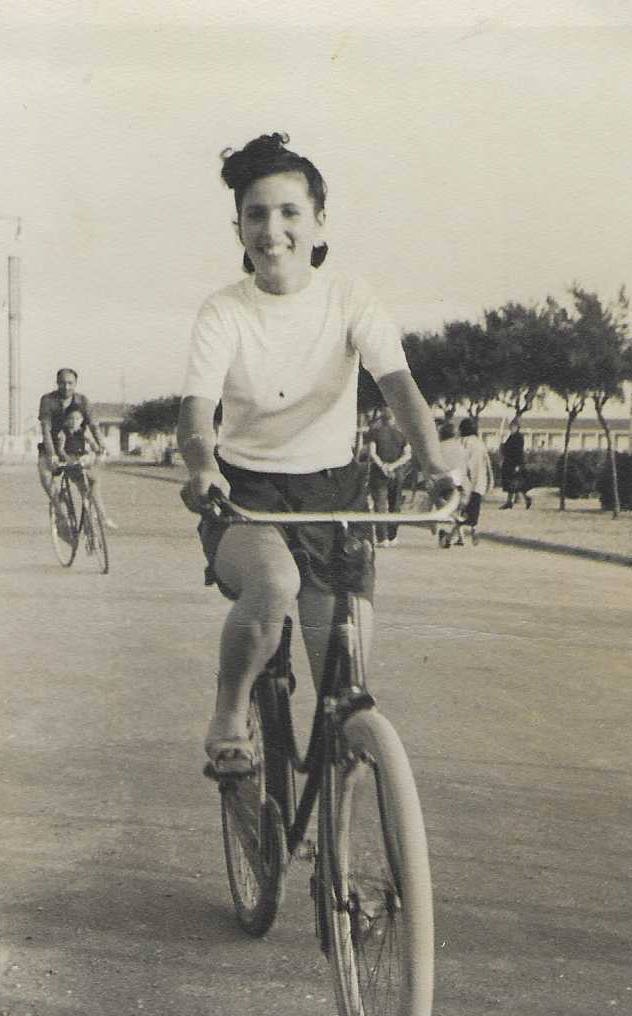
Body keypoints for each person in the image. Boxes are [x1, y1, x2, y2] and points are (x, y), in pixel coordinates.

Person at [176, 131, 456, 775]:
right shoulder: (224, 312)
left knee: (345, 678)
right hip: (247, 498)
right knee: (274, 584)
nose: (272, 230)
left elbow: (400, 387)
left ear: (319, 221)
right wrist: (202, 466)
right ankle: (229, 712)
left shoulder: (349, 297)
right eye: (256, 214)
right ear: (240, 226)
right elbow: (197, 414)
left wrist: (434, 464)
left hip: (336, 498)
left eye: (289, 212)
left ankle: (337, 837)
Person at [37, 368, 117, 528]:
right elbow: (45, 428)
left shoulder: (82, 401)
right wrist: (52, 453)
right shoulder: (48, 400)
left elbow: (93, 426)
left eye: (70, 383)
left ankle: (94, 518)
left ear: (75, 384)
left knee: (87, 482)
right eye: (62, 383)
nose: (66, 387)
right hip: (51, 447)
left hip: (74, 450)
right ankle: (60, 515)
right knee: (45, 475)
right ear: (57, 383)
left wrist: (101, 446)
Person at [366, 405, 412, 547]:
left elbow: (372, 453)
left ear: (382, 418)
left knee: (380, 504)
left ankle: (382, 538)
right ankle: (393, 536)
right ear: (394, 419)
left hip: (379, 473)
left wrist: (383, 466)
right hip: (397, 473)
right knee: (395, 504)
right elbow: (407, 455)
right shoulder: (401, 435)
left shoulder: (374, 433)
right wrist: (393, 466)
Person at [458, 417, 494, 540]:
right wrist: (491, 479)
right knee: (474, 509)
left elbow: (461, 461)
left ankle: (460, 536)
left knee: (460, 510)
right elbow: (488, 462)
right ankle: (473, 529)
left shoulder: (463, 441)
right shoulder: (480, 443)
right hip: (479, 481)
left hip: (466, 481)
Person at [436, 421, 468, 545]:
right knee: (456, 507)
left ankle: (445, 534)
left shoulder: (438, 447)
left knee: (446, 509)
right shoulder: (461, 447)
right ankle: (459, 536)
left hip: (445, 480)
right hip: (460, 480)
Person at [499, 417, 532, 509]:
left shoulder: (519, 437)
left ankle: (526, 498)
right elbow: (506, 449)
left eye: (513, 426)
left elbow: (518, 452)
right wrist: (502, 443)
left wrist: (518, 465)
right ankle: (509, 502)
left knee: (517, 483)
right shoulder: (511, 437)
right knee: (510, 483)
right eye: (511, 426)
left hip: (515, 463)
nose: (512, 428)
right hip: (509, 463)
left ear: (517, 427)